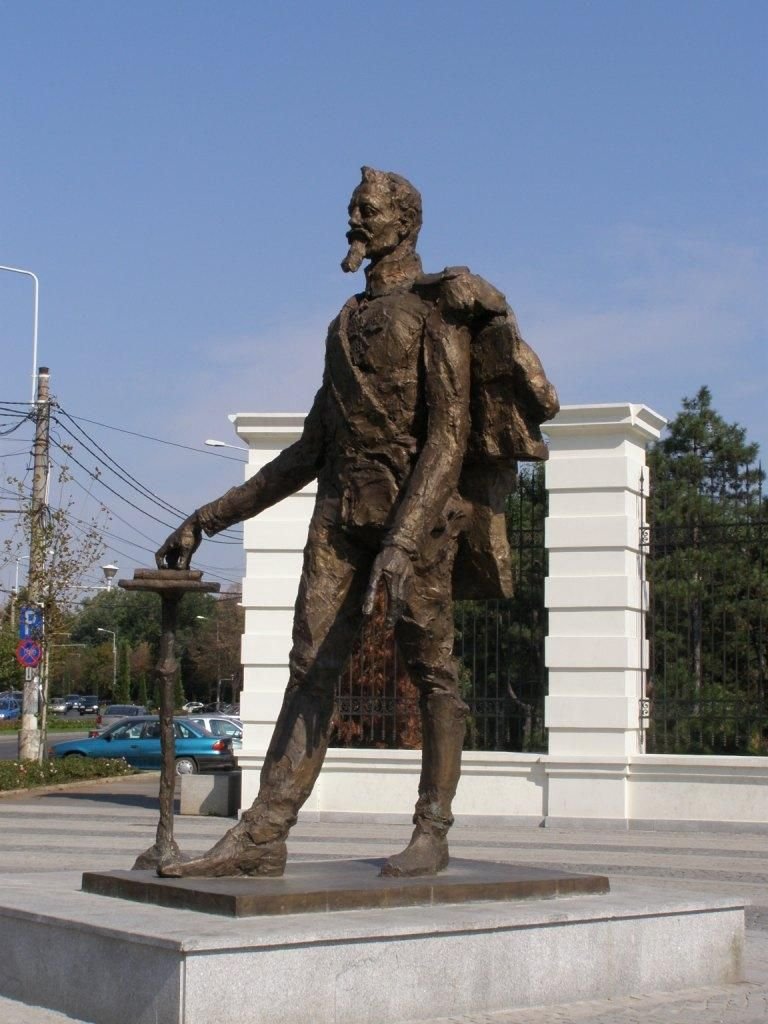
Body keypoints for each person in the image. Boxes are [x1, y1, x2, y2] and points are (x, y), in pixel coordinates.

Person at [155, 166, 558, 878]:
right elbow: (309, 450)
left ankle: (432, 830)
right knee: (309, 669)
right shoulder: (341, 325)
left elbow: (448, 436)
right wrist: (206, 519)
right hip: (341, 516)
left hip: (419, 520)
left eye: (366, 211)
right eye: (351, 210)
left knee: (433, 673)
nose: (354, 222)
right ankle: (264, 835)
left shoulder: (437, 313)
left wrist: (404, 539)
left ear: (405, 223)